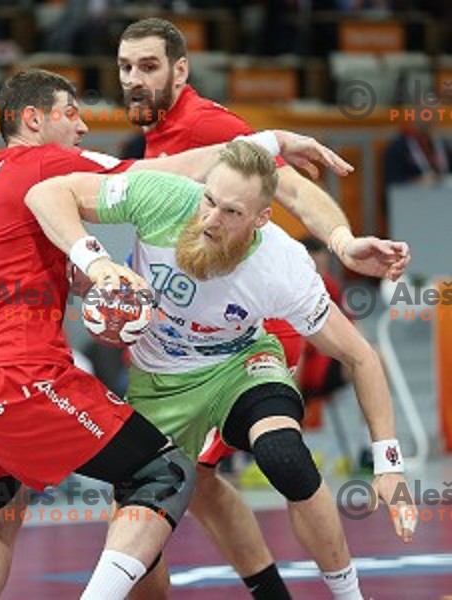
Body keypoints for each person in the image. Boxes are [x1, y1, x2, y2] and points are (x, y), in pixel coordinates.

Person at [0, 67, 350, 600]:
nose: (80, 128)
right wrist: (269, 141)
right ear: (31, 120)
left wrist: (86, 286)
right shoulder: (42, 161)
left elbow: (7, 277)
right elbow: (160, 171)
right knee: (162, 471)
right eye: (69, 114)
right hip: (14, 374)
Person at [26, 140, 416, 600]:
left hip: (241, 364)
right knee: (143, 531)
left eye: (231, 212)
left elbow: (360, 356)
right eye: (209, 200)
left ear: (260, 219)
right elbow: (46, 193)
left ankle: (350, 597)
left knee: (284, 456)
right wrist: (97, 261)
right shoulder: (162, 198)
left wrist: (389, 465)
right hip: (159, 381)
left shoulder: (281, 264)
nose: (211, 219)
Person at [116, 16, 410, 599]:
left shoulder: (205, 123)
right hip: (189, 339)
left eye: (148, 67)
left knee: (277, 457)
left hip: (251, 328)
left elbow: (292, 191)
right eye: (125, 67)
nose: (133, 80)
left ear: (181, 71)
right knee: (191, 479)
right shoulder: (156, 135)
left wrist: (345, 243)